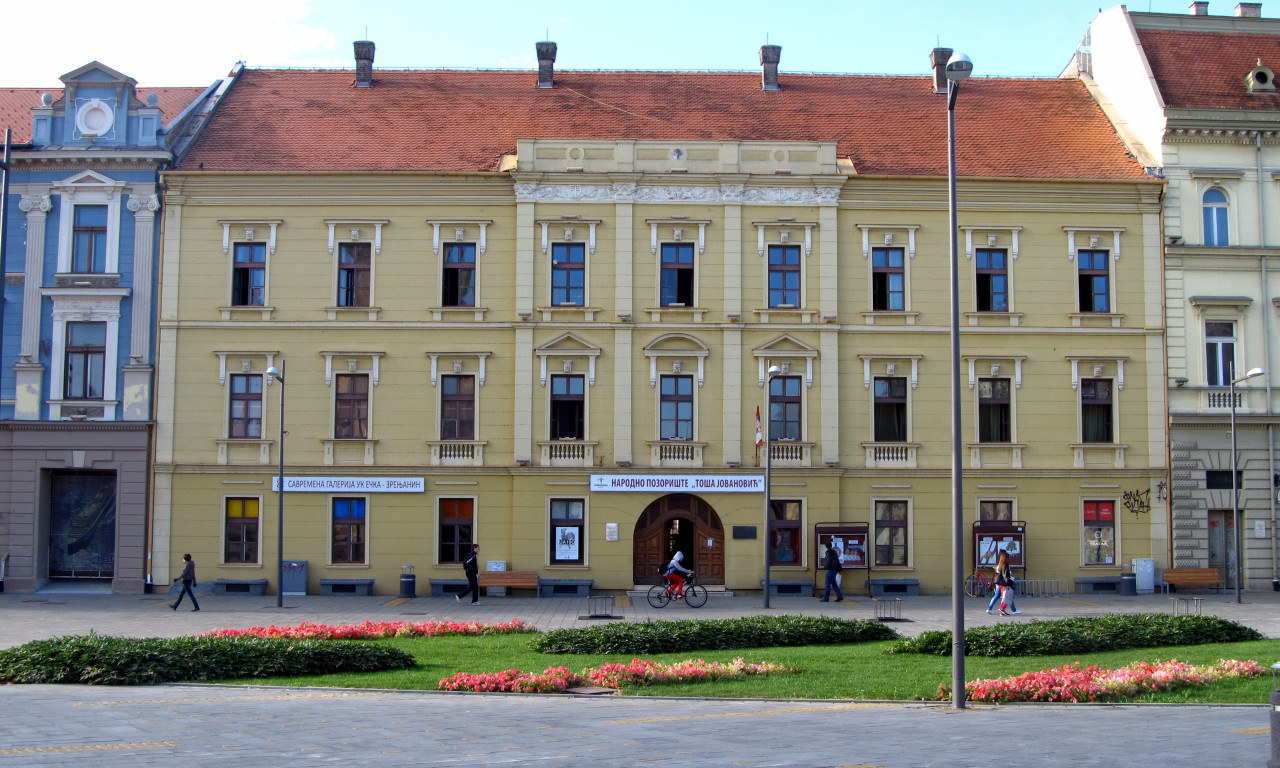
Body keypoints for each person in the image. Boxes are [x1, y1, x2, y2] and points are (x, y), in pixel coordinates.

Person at [990, 550, 1022, 616]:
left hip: (1000, 583)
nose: (1009, 558)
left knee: (1004, 596)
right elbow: (1006, 575)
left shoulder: (1000, 564)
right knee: (1007, 596)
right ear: (1006, 558)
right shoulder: (1005, 565)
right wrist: (1008, 584)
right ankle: (1003, 609)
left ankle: (1003, 610)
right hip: (1004, 583)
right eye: (1008, 557)